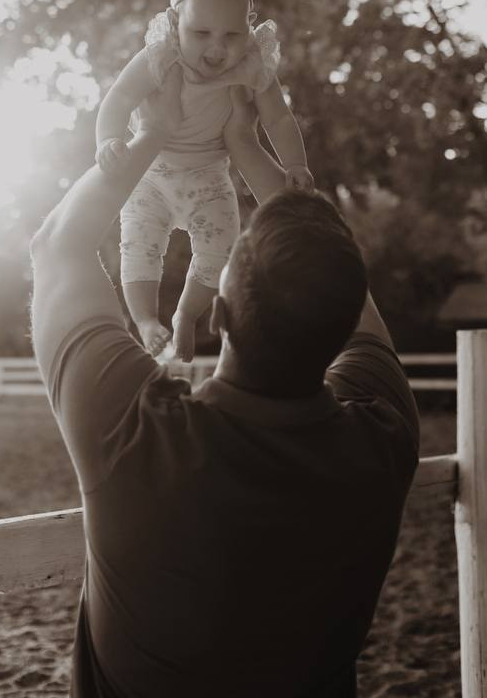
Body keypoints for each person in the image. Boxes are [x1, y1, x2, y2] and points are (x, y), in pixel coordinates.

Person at [30, 71, 420, 698]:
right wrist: (245, 143)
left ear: (217, 316)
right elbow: (347, 290)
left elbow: (58, 244)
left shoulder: (135, 432)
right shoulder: (383, 439)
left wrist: (149, 136)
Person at [95, 0, 313, 362]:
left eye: (231, 35)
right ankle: (144, 319)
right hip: (153, 173)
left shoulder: (253, 63)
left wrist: (295, 163)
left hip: (209, 174)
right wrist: (107, 140)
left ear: (249, 29)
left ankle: (186, 313)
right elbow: (118, 98)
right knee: (138, 246)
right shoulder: (160, 55)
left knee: (222, 248)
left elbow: (279, 119)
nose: (217, 48)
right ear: (176, 24)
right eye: (201, 34)